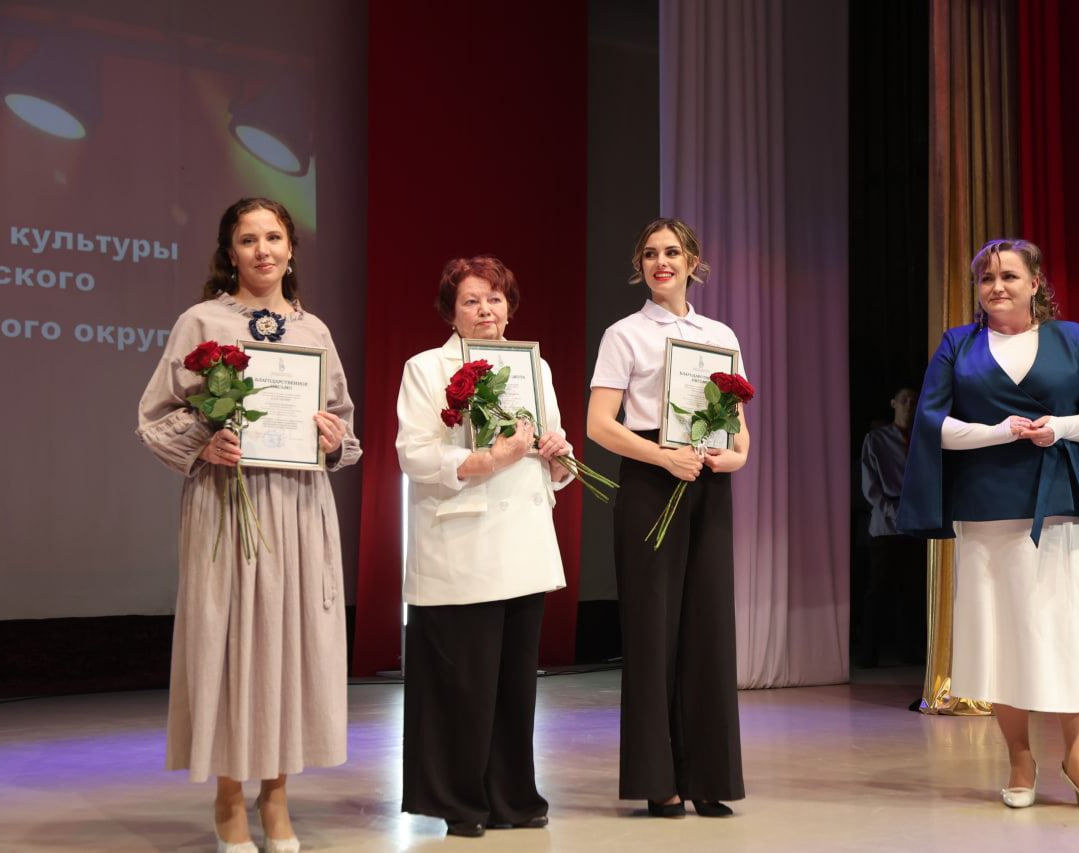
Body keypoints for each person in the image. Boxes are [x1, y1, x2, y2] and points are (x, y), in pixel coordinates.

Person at [137, 198, 362, 853]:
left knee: (290, 643)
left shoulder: (314, 330)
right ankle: (230, 795)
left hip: (298, 505)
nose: (262, 250)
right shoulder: (201, 321)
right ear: (229, 252)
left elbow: (343, 425)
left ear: (291, 249)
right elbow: (156, 417)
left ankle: (277, 794)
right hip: (227, 500)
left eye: (273, 237)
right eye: (247, 239)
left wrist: (331, 439)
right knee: (229, 642)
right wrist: (204, 442)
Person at [897, 238, 1079, 811]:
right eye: (986, 278)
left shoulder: (1071, 338)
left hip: (1057, 502)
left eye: (1008, 275)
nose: (997, 286)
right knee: (1002, 637)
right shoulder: (958, 344)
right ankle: (1020, 762)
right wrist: (997, 432)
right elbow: (933, 425)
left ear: (1035, 284)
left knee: (1065, 633)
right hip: (985, 508)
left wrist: (1059, 428)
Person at [396, 255, 572, 838]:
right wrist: (487, 459)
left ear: (509, 308)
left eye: (494, 299)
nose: (485, 310)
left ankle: (511, 798)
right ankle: (460, 802)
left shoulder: (534, 366)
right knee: (462, 686)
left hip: (523, 543)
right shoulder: (426, 368)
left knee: (514, 686)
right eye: (470, 300)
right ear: (451, 311)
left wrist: (559, 456)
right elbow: (415, 454)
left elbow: (554, 455)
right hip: (460, 544)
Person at [587, 218, 749, 818]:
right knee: (653, 633)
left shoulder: (720, 335)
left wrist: (731, 457)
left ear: (692, 263)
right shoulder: (623, 334)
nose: (662, 262)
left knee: (708, 629)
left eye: (673, 252)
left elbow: (739, 431)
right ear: (640, 265)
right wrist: (663, 456)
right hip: (651, 481)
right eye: (651, 253)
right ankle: (658, 780)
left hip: (707, 483)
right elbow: (598, 425)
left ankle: (708, 777)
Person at [858, 386, 927, 667]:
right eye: (904, 400)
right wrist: (891, 510)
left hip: (916, 520)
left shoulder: (923, 438)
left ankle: (908, 650)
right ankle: (869, 652)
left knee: (911, 590)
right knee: (879, 589)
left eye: (913, 400)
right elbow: (870, 484)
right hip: (886, 523)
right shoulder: (876, 439)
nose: (909, 405)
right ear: (893, 403)